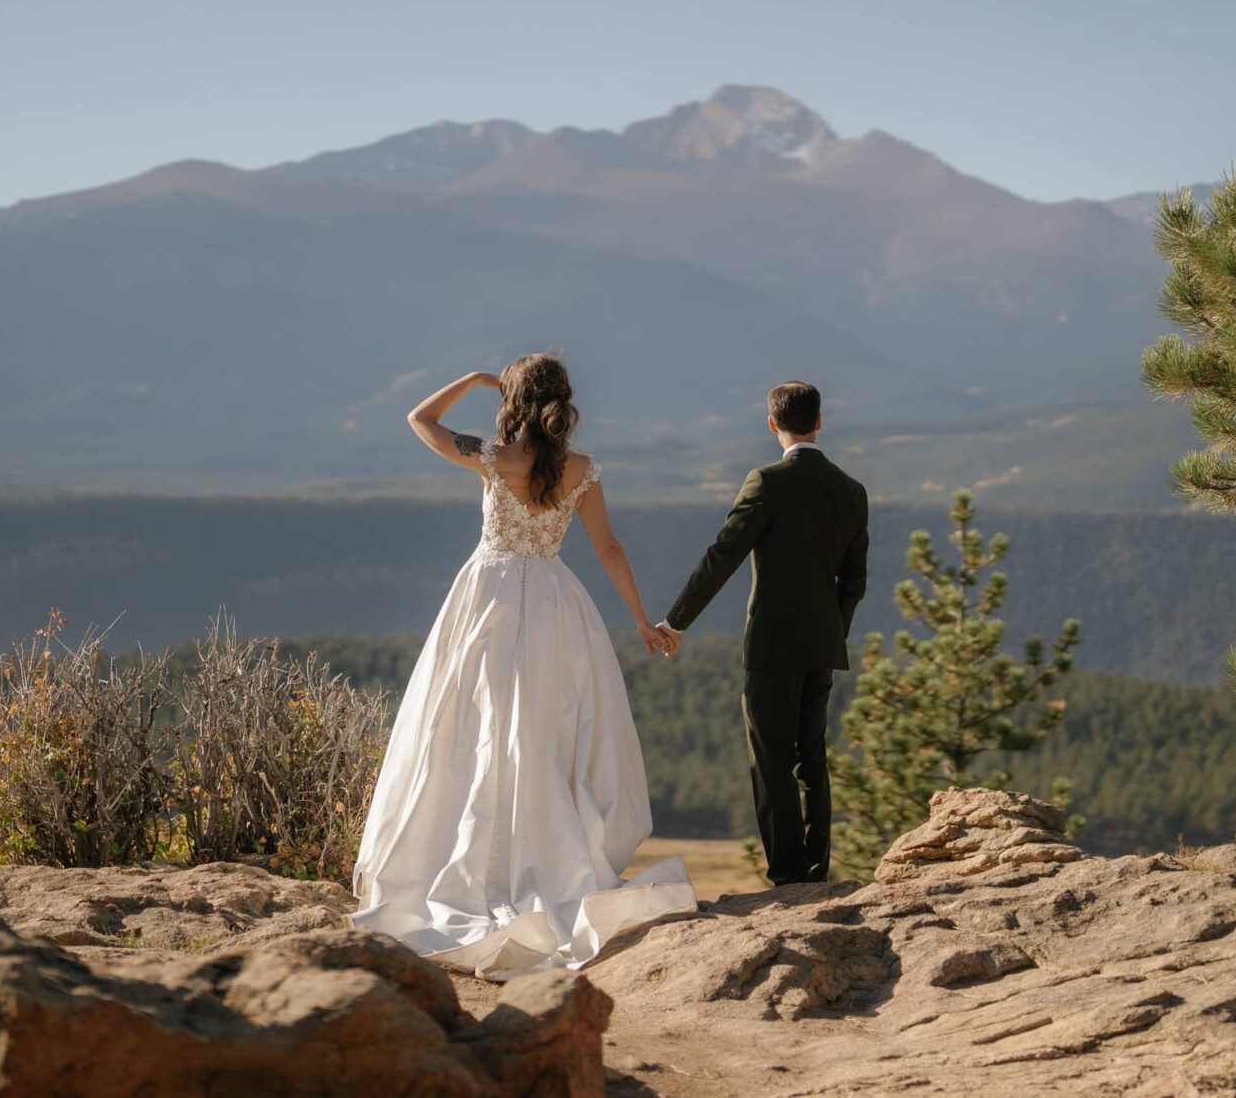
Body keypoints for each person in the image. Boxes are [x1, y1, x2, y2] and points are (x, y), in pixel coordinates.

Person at [350, 353, 696, 976]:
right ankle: (545, 856)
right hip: (557, 606)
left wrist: (474, 380)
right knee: (543, 733)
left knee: (470, 725)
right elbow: (609, 547)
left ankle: (466, 862)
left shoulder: (495, 457)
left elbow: (420, 419)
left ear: (514, 399)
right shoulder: (583, 470)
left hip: (488, 598)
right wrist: (643, 621)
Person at [655, 380, 869, 886]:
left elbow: (722, 556)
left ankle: (789, 875)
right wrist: (833, 632)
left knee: (771, 758)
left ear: (772, 424)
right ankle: (816, 867)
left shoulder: (767, 483)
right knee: (811, 754)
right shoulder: (852, 491)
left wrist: (677, 620)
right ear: (819, 421)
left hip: (772, 644)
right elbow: (854, 582)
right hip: (824, 642)